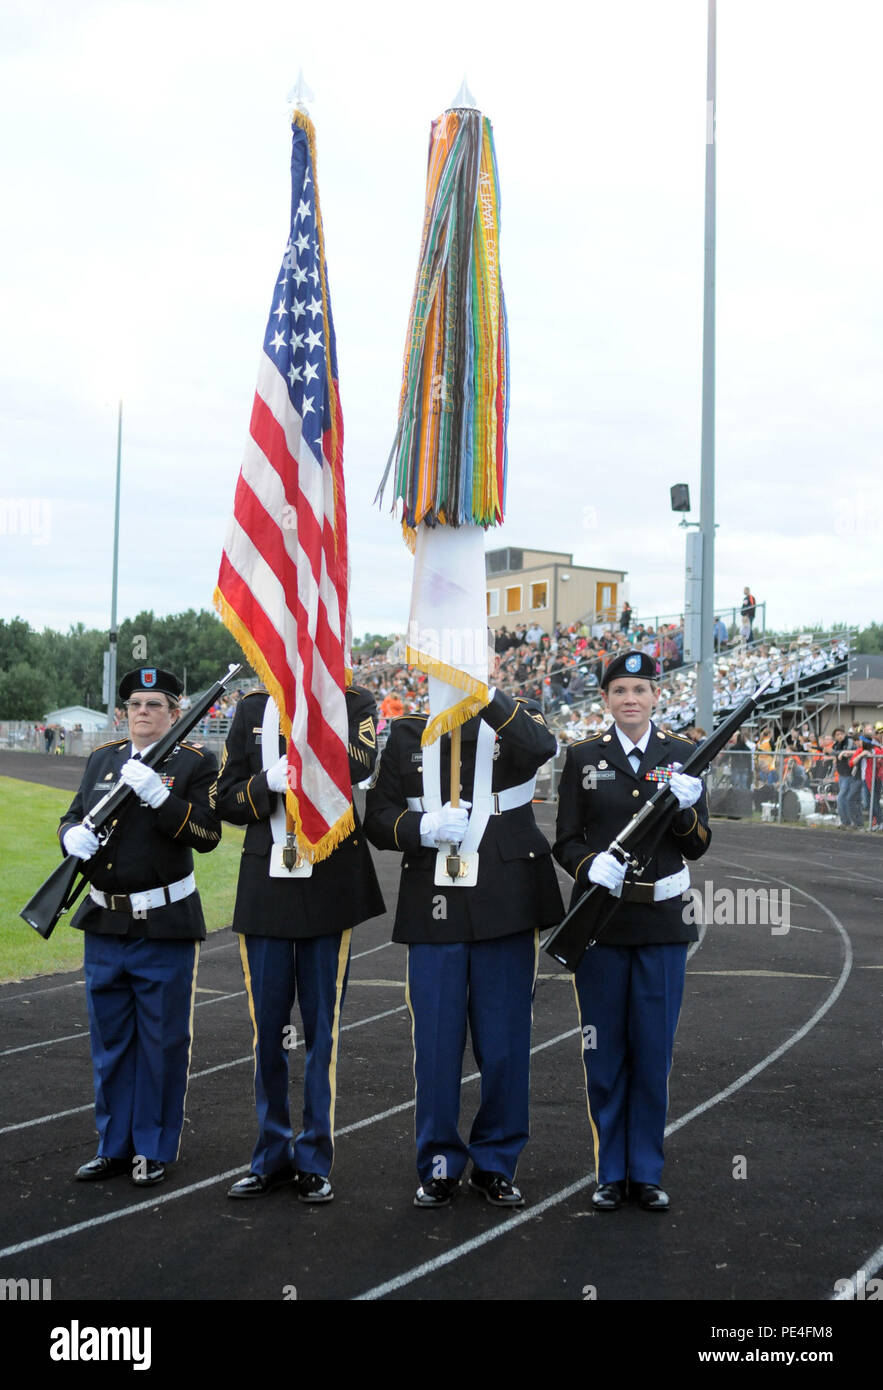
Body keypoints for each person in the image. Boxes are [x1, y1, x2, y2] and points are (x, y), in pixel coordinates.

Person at [364, 673, 563, 1208]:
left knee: (504, 1047)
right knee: (435, 1047)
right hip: (435, 904)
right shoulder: (408, 733)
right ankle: (438, 1163)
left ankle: (496, 1162)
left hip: (507, 900)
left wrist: (488, 697)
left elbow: (542, 747)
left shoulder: (513, 715)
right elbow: (378, 820)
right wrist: (423, 827)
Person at [553, 650, 710, 1212]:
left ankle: (645, 1170)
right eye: (619, 690)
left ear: (656, 697)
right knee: (605, 1051)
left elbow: (696, 844)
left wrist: (687, 809)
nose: (630, 699)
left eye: (640, 690)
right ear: (605, 700)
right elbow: (565, 839)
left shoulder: (683, 757)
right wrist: (586, 864)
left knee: (652, 1052)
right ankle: (609, 1170)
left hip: (662, 924)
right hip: (601, 922)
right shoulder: (582, 758)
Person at [218, 684, 385, 1201]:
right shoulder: (249, 708)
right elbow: (224, 798)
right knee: (267, 1031)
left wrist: (311, 731)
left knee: (321, 1034)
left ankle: (314, 1158)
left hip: (328, 888)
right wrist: (264, 783)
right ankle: (270, 1155)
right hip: (267, 891)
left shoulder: (351, 702)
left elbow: (359, 765)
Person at [58, 667, 221, 1186]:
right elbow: (73, 815)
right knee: (111, 1044)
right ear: (123, 712)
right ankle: (113, 1144)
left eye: (155, 704)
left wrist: (160, 796)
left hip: (164, 924)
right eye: (135, 704)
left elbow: (207, 833)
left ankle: (152, 1146)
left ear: (176, 713)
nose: (143, 711)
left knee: (161, 1043)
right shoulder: (103, 759)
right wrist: (69, 838)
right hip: (105, 923)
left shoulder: (195, 762)